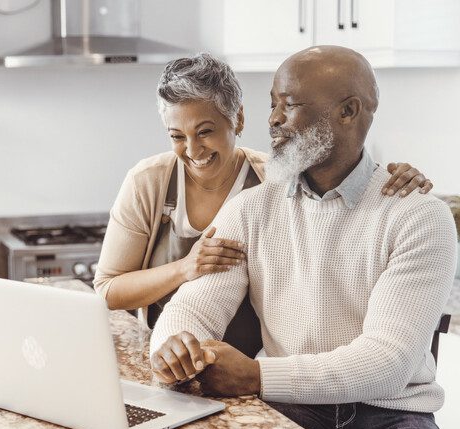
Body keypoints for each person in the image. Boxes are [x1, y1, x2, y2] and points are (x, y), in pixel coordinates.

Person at [149, 46, 459, 429]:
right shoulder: (250, 209)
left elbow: (389, 363)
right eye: (272, 104)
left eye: (289, 105)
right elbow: (195, 305)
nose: (273, 119)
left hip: (391, 418)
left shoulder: (418, 216)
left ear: (348, 111)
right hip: (291, 407)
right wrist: (173, 346)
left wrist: (256, 376)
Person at [94, 52, 433, 357]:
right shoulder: (149, 181)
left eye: (205, 131)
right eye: (177, 136)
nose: (193, 150)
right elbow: (108, 289)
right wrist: (185, 269)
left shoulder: (272, 182)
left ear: (237, 120)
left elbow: (340, 174)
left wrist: (389, 178)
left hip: (255, 367)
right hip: (170, 350)